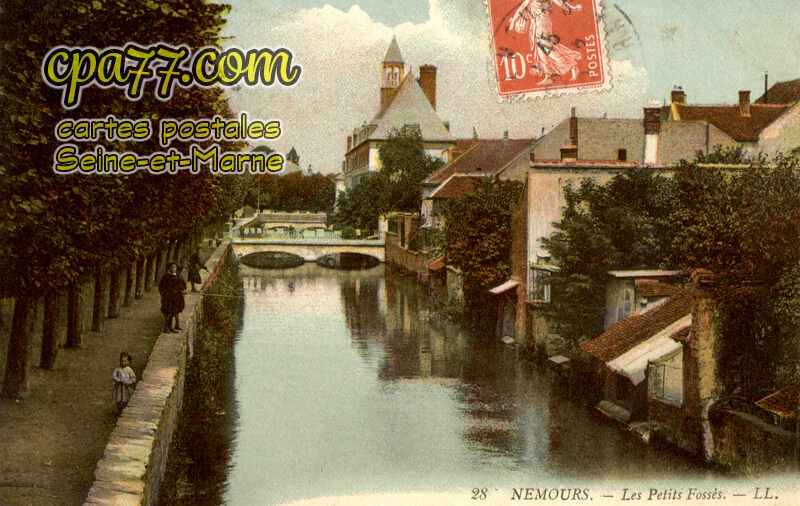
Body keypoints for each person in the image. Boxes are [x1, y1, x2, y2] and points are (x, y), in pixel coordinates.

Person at [505, 0, 583, 84]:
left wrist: (573, 8)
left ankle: (571, 65)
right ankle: (549, 75)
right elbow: (522, 9)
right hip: (537, 24)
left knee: (547, 48)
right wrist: (513, 23)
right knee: (542, 50)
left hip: (542, 23)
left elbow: (560, 3)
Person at [159, 262, 186, 333]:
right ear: (169, 268)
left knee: (173, 312)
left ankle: (171, 327)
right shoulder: (166, 276)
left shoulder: (177, 275)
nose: (174, 268)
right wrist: (165, 294)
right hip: (168, 297)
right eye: (172, 267)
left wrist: (181, 290)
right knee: (168, 312)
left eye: (175, 267)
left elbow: (181, 284)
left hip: (176, 297)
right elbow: (162, 287)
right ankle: (166, 328)